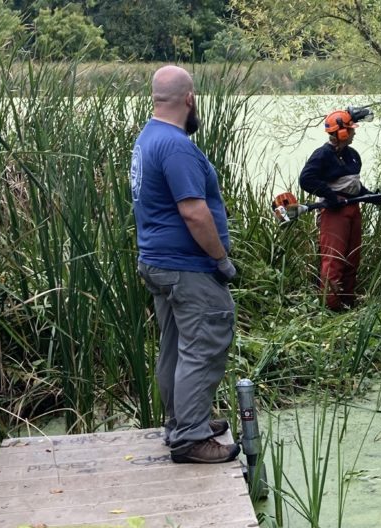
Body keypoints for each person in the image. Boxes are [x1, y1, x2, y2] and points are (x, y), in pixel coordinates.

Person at [130, 65, 241, 464]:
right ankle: (191, 437)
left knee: (175, 346)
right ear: (190, 98)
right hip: (187, 266)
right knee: (205, 342)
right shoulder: (176, 146)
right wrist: (220, 259)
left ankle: (181, 421)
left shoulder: (148, 138)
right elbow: (194, 212)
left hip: (158, 261)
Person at [298, 108, 381, 311]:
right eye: (351, 129)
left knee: (352, 258)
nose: (354, 132)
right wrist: (330, 196)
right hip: (334, 212)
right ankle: (330, 307)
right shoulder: (322, 155)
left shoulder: (352, 155)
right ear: (341, 133)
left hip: (352, 208)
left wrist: (370, 196)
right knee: (334, 259)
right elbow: (306, 179)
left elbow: (353, 186)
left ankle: (347, 303)